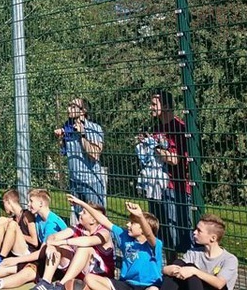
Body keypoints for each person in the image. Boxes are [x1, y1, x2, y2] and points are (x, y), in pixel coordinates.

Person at [0, 189, 68, 290]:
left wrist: (16, 259)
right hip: (44, 258)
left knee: (26, 271)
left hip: (56, 266)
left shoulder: (51, 224)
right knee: (12, 267)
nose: (28, 204)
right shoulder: (39, 218)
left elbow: (41, 251)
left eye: (31, 201)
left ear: (41, 203)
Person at [73, 197, 163, 290]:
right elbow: (103, 220)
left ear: (143, 228)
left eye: (132, 223)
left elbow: (148, 234)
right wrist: (82, 203)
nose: (127, 225)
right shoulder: (124, 236)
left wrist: (140, 216)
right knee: (89, 278)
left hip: (148, 285)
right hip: (127, 284)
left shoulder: (155, 244)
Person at [147, 89, 192, 257]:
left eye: (154, 104)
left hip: (176, 187)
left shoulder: (179, 127)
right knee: (161, 232)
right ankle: (169, 268)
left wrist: (155, 148)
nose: (150, 108)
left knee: (178, 235)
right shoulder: (157, 128)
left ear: (165, 106)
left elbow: (175, 159)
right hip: (157, 186)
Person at [31, 200, 114, 290]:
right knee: (58, 247)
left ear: (93, 220)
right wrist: (51, 245)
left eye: (84, 212)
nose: (80, 213)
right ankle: (46, 282)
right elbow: (53, 236)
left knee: (84, 248)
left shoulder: (104, 232)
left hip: (98, 278)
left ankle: (61, 285)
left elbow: (87, 241)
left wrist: (63, 241)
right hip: (80, 273)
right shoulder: (78, 227)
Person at [54, 98, 105, 223]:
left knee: (96, 220)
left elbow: (95, 154)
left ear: (83, 111)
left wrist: (82, 135)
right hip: (74, 182)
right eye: (68, 105)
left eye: (73, 106)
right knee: (80, 219)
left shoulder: (94, 128)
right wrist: (60, 139)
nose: (68, 109)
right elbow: (64, 153)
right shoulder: (67, 129)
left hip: (91, 182)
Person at [161, 214, 238, 290]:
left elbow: (219, 284)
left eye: (199, 231)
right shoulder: (193, 253)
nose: (194, 232)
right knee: (179, 263)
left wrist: (194, 271)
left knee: (191, 268)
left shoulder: (229, 259)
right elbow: (180, 270)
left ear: (213, 238)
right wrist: (166, 269)